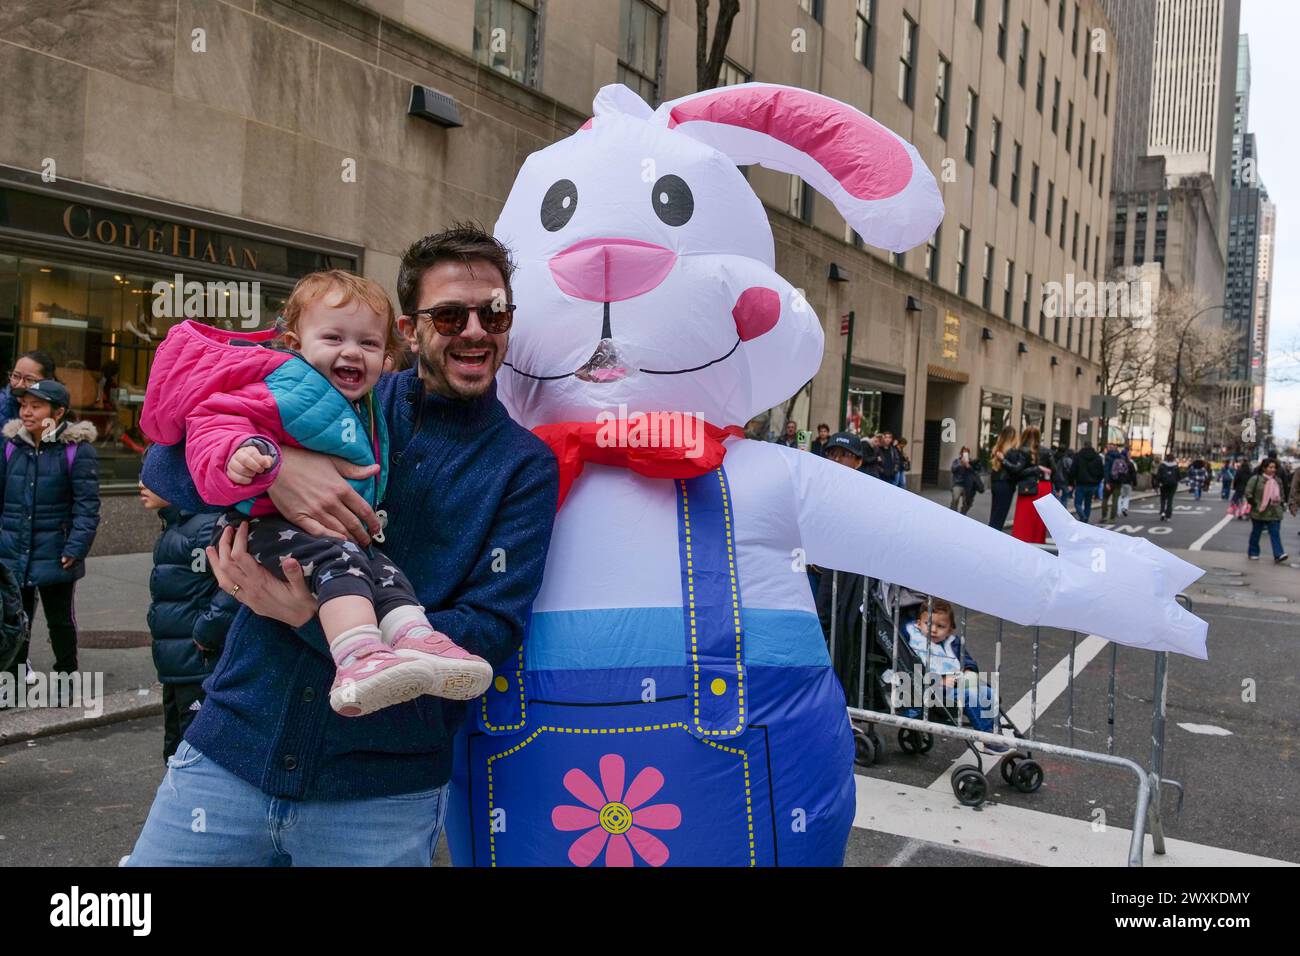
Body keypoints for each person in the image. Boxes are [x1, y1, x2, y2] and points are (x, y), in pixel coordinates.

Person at [125, 225, 559, 867]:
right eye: (449, 314)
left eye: (493, 311)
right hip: (229, 756)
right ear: (411, 331)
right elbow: (166, 471)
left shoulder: (523, 466)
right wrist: (282, 469)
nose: (474, 329)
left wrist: (306, 616)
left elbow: (486, 633)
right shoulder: (343, 387)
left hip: (380, 794)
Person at [141, 270, 495, 717]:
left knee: (382, 573)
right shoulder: (282, 383)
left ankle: (414, 637)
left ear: (387, 356)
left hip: (323, 537)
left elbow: (494, 623)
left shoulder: (363, 399)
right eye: (448, 316)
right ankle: (358, 656)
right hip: (266, 529)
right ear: (294, 343)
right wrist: (259, 463)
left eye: (368, 344)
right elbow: (197, 435)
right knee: (343, 562)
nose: (352, 352)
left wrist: (303, 614)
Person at [0, 379, 100, 687]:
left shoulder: (75, 452)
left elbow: (87, 506)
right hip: (13, 550)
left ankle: (66, 679)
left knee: (60, 621)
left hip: (57, 552)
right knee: (14, 620)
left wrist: (76, 547)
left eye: (36, 406)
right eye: (24, 405)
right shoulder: (10, 446)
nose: (27, 412)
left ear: (57, 413)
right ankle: (12, 683)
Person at [140, 470, 240, 761]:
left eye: (151, 476)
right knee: (176, 747)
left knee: (192, 751)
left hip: (197, 660)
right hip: (177, 660)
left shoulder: (202, 526)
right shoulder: (176, 524)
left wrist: (205, 631)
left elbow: (232, 584)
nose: (141, 485)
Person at [815, 432, 869, 701]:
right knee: (817, 624)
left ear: (858, 461)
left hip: (845, 575)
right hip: (814, 570)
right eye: (832, 453)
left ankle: (838, 693)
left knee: (835, 627)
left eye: (843, 455)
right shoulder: (818, 485)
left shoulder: (867, 491)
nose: (836, 459)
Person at [901, 600, 997, 735]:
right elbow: (911, 668)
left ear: (950, 629)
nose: (933, 630)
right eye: (928, 624)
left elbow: (966, 660)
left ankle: (993, 729)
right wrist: (939, 680)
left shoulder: (953, 643)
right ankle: (987, 736)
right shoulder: (913, 638)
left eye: (940, 626)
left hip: (957, 682)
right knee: (970, 696)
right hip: (931, 689)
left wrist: (968, 670)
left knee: (988, 692)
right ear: (918, 623)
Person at [1010, 426, 1054, 543]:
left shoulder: (1022, 451)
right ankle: (1038, 544)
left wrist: (1035, 469)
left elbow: (1017, 472)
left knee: (1024, 519)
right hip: (1044, 487)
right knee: (1039, 521)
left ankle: (1022, 543)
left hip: (1028, 488)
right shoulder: (1047, 451)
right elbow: (1054, 470)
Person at [1244, 458, 1288, 563]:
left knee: (1275, 533)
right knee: (1256, 533)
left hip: (1274, 512)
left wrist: (1281, 504)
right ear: (1264, 468)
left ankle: (1279, 554)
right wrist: (1254, 504)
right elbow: (1248, 492)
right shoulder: (1256, 479)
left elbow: (1281, 495)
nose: (1273, 469)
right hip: (1259, 511)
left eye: (1274, 467)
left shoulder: (1277, 480)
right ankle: (1253, 552)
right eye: (1270, 467)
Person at [0, 350, 57, 423]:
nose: (20, 385)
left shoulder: (57, 406)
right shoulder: (2, 403)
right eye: (16, 376)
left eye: (29, 379)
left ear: (49, 382)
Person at [987, 425, 1021, 531]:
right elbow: (1015, 470)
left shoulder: (997, 450)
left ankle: (989, 537)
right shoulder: (1012, 452)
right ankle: (993, 541)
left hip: (996, 484)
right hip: (1006, 485)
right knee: (1000, 517)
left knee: (994, 514)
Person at [1069, 441, 1103, 523]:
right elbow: (1101, 471)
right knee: (1088, 504)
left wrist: (1071, 482)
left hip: (1080, 483)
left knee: (1077, 503)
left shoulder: (1078, 456)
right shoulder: (1097, 457)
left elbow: (1073, 470)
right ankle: (1085, 520)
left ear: (1084, 446)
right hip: (1092, 484)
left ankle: (1082, 516)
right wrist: (1097, 482)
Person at [950, 445, 980, 514]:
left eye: (967, 452)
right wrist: (961, 464)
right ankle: (952, 513)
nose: (965, 454)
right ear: (961, 453)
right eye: (964, 452)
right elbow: (953, 469)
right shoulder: (957, 461)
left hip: (968, 485)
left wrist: (968, 466)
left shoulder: (971, 462)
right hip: (958, 483)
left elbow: (975, 472)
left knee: (967, 502)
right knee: (955, 498)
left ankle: (963, 514)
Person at [1155, 451, 1181, 521]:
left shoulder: (1162, 465)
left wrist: (1157, 484)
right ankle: (1168, 516)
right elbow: (1179, 476)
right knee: (1170, 500)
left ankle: (1162, 512)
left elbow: (1158, 476)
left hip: (1163, 484)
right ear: (1173, 459)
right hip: (1173, 485)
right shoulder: (1176, 466)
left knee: (1163, 499)